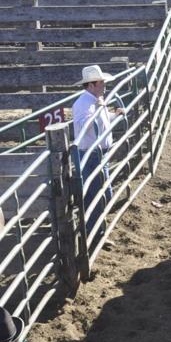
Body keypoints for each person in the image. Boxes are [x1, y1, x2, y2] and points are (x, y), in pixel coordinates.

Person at [71, 64, 121, 236]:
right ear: (91, 85)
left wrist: (114, 115)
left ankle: (95, 232)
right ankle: (93, 234)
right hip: (91, 155)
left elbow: (101, 122)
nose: (105, 86)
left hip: (97, 153)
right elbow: (85, 125)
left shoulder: (93, 101)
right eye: (101, 83)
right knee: (99, 195)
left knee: (99, 195)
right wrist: (100, 109)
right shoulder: (84, 104)